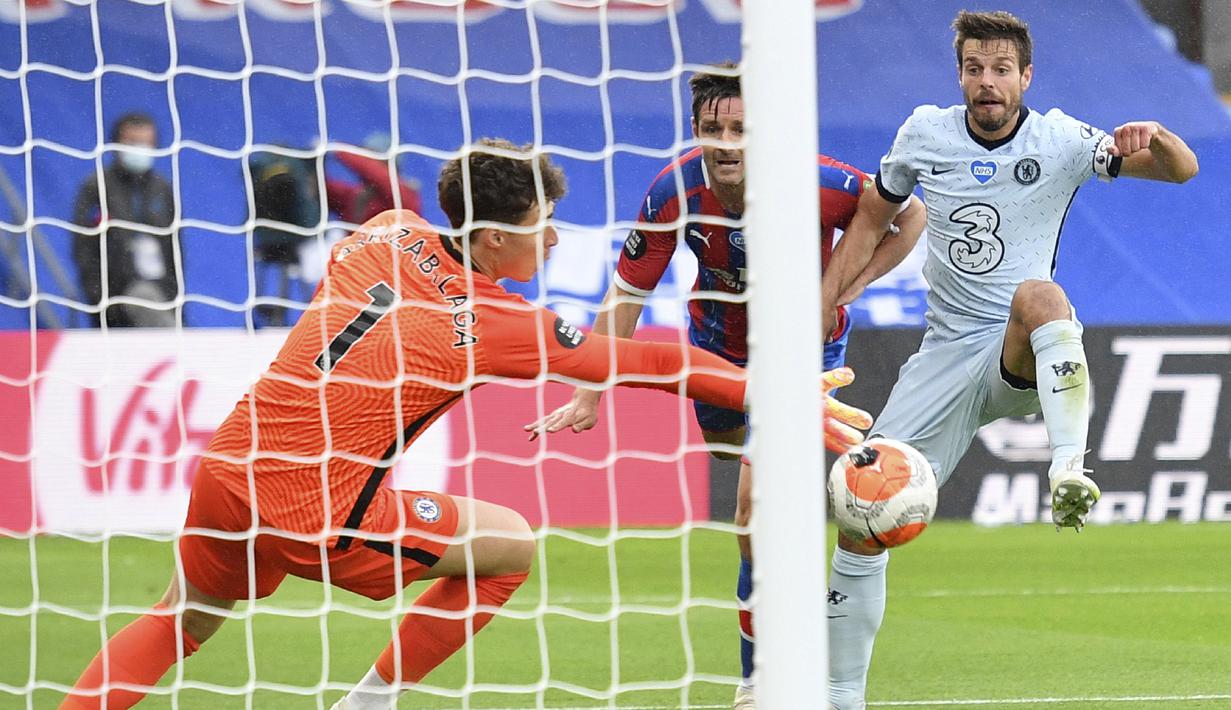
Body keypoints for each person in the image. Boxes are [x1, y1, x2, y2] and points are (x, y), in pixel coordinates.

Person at [60, 138, 872, 710]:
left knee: (179, 621)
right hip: (318, 511)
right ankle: (369, 702)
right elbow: (648, 364)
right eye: (539, 224)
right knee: (511, 544)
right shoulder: (491, 323)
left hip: (232, 463)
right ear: (490, 238)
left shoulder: (384, 232)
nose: (554, 236)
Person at [818, 11, 1199, 709]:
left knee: (1039, 294)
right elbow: (874, 215)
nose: (986, 82)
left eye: (1000, 70)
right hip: (942, 355)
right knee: (859, 519)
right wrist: (824, 300)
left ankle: (1065, 468)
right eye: (973, 68)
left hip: (1017, 349)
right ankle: (838, 697)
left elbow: (1179, 173)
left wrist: (1161, 137)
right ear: (958, 73)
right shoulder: (922, 134)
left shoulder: (1060, 138)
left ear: (1025, 77)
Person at [523, 63, 925, 710]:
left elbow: (909, 218)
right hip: (716, 357)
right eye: (713, 128)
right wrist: (589, 390)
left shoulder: (817, 182)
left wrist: (843, 290)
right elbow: (627, 293)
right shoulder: (673, 192)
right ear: (695, 131)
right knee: (740, 475)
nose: (726, 141)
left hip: (800, 353)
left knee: (751, 516)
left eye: (741, 128)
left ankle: (758, 678)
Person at [72, 112, 179, 328]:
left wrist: (173, 295)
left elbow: (175, 248)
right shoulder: (97, 187)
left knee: (148, 298)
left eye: (146, 143)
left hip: (162, 294)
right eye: (133, 143)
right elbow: (84, 248)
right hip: (114, 297)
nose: (140, 150)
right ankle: (181, 353)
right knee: (142, 296)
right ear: (116, 144)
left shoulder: (162, 188)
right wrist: (100, 298)